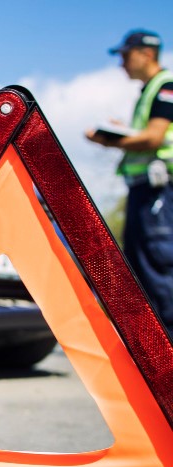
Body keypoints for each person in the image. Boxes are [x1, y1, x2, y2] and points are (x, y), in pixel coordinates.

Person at [87, 29, 173, 331]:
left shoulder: (165, 86)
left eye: (125, 55)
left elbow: (153, 138)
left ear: (146, 54)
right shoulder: (150, 90)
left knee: (159, 265)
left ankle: (167, 351)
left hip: (159, 192)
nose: (121, 63)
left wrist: (109, 141)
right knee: (143, 264)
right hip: (146, 192)